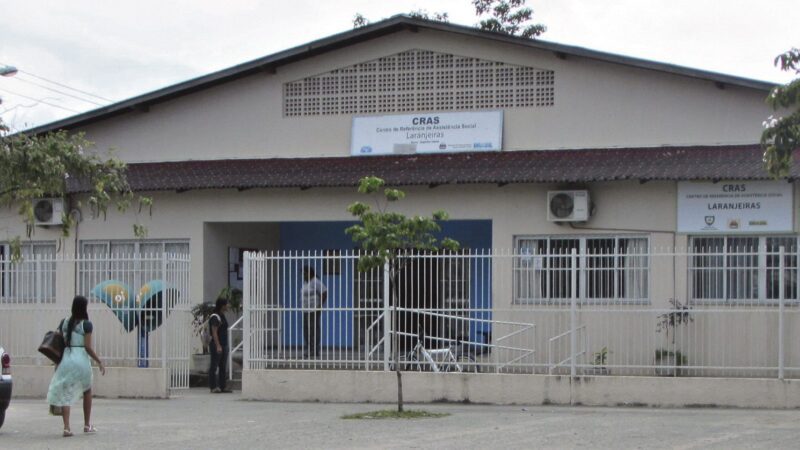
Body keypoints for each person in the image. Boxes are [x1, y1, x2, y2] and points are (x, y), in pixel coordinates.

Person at [47, 295, 105, 437]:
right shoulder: (86, 325)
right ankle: (87, 425)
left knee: (66, 392)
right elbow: (87, 347)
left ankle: (66, 428)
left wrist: (56, 361)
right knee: (87, 391)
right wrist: (99, 361)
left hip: (66, 358)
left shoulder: (64, 322)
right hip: (80, 359)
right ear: (84, 308)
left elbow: (58, 340)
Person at [301, 266, 327, 358]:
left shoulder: (315, 281)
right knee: (306, 330)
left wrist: (319, 305)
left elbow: (324, 292)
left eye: (304, 273)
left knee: (313, 330)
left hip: (314, 310)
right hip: (306, 310)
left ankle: (314, 350)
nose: (303, 275)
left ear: (309, 273)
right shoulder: (305, 282)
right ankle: (308, 349)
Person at [208, 297, 232, 393]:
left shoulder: (222, 316)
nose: (228, 306)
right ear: (222, 306)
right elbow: (214, 332)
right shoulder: (215, 316)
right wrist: (218, 345)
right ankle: (213, 386)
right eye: (227, 304)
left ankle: (223, 386)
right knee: (214, 366)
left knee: (222, 366)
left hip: (224, 344)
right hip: (217, 345)